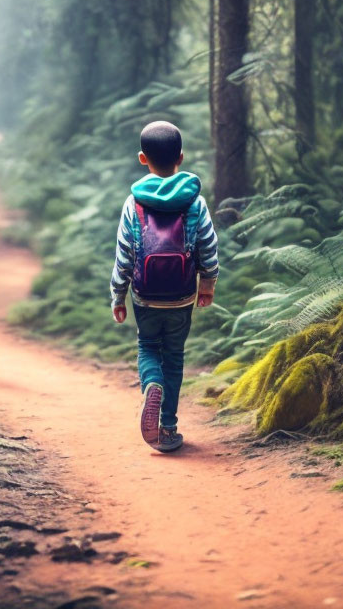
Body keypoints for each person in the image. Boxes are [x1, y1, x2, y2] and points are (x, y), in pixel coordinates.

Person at [110, 121, 219, 452]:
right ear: (181, 157)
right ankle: (168, 428)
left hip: (145, 296)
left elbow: (124, 256)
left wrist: (118, 294)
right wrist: (207, 285)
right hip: (182, 295)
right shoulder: (195, 203)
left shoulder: (134, 204)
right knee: (174, 356)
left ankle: (151, 384)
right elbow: (209, 248)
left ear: (143, 159)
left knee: (147, 347)